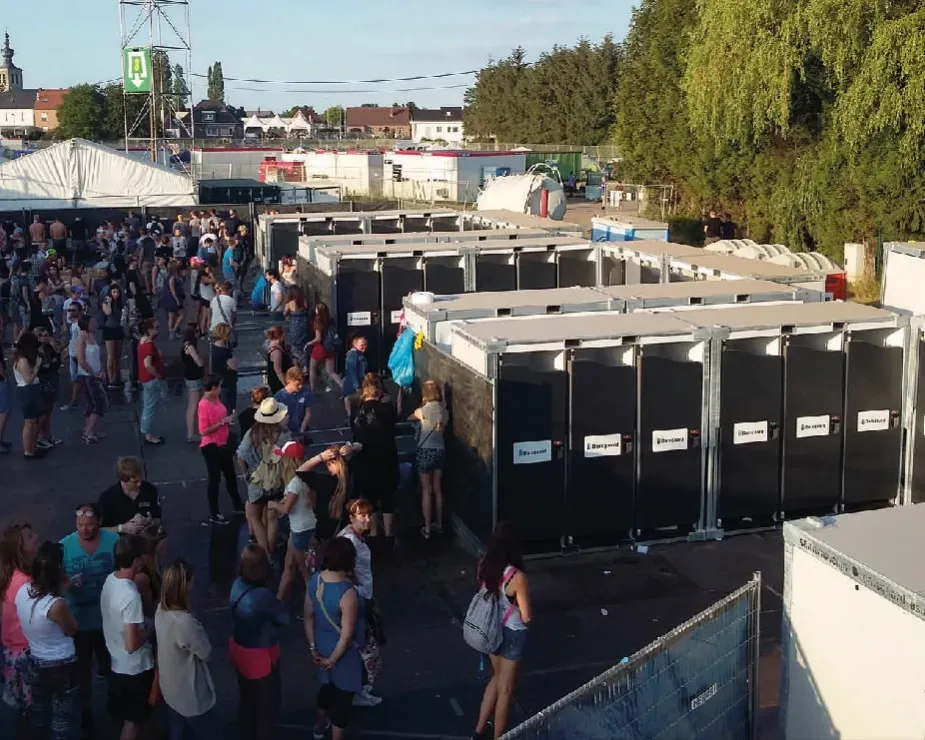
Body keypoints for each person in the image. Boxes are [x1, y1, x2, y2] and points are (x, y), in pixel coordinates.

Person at [60, 504, 119, 736]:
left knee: (111, 665)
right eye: (80, 525)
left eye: (90, 524)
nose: (84, 529)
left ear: (100, 522)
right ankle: (85, 710)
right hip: (79, 623)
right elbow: (54, 581)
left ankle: (115, 702)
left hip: (108, 620)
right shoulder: (64, 546)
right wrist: (66, 584)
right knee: (82, 670)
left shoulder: (113, 541)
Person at [472, 523, 532, 740]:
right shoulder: (517, 577)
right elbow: (526, 616)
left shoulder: (484, 565)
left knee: (496, 678)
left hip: (490, 630)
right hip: (512, 634)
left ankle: (479, 731)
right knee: (506, 689)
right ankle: (499, 736)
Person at [15, 541, 80, 740]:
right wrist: (64, 592)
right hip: (61, 665)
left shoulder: (22, 591)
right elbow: (71, 629)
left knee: (39, 713)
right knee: (62, 719)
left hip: (36, 660)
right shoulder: (56, 605)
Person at [304, 537, 365, 740]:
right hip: (344, 655)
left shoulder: (316, 580)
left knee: (326, 689)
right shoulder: (348, 594)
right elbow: (347, 635)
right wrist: (333, 660)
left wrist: (313, 647)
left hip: (322, 644)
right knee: (343, 701)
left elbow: (308, 615)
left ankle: (319, 726)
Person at [229, 544, 289, 740]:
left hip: (239, 647)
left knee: (247, 701)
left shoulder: (236, 584)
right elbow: (283, 618)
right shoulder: (263, 596)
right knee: (267, 709)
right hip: (260, 655)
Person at [101, 535, 155, 740]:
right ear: (136, 560)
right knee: (134, 721)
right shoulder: (130, 594)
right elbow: (132, 644)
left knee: (127, 717)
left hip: (117, 663)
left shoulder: (110, 580)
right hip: (136, 668)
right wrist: (152, 627)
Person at [155, 559, 216, 739]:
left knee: (177, 731)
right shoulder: (185, 623)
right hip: (191, 696)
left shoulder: (161, 609)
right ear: (184, 585)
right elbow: (206, 652)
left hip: (171, 689)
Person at [337, 498, 382, 707]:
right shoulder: (350, 541)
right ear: (352, 518)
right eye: (362, 516)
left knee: (365, 646)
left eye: (368, 515)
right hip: (358, 598)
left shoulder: (355, 537)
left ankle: (359, 687)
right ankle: (358, 690)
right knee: (365, 647)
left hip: (363, 596)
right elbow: (343, 569)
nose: (367, 519)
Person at [236, 399, 292, 554]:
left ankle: (265, 553)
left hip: (257, 481)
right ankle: (271, 550)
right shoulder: (284, 434)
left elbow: (241, 455)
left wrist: (246, 473)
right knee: (272, 517)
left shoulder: (252, 433)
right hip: (278, 482)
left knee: (255, 517)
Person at [0, 523, 40, 735]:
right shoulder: (25, 583)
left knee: (20, 707)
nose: (36, 537)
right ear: (20, 548)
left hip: (11, 649)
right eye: (30, 536)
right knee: (32, 711)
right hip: (26, 653)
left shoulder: (8, 575)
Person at [348, 374, 399, 540]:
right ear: (378, 393)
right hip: (387, 457)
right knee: (387, 498)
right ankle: (389, 533)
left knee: (370, 497)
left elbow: (356, 434)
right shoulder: (387, 409)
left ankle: (374, 533)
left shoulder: (358, 411)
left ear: (364, 391)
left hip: (366, 460)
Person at [270, 442, 318, 606]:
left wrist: (273, 505)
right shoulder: (306, 479)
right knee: (289, 565)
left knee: (306, 574)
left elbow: (286, 508)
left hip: (300, 531)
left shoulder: (294, 483)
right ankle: (278, 601)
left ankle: (312, 608)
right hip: (306, 526)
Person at [199, 373, 244, 525]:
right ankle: (214, 512)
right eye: (218, 386)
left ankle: (237, 504)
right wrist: (222, 422)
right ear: (212, 388)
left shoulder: (216, 399)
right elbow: (203, 431)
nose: (220, 389)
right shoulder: (204, 405)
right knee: (215, 479)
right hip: (211, 446)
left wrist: (227, 421)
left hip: (223, 443)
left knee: (231, 475)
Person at [413, 381, 449, 539]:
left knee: (426, 490)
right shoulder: (444, 411)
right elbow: (444, 408)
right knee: (437, 488)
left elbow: (411, 416)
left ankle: (427, 528)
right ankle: (440, 525)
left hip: (425, 451)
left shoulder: (422, 411)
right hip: (440, 451)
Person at [97, 457, 163, 535]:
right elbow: (99, 530)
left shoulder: (150, 490)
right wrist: (122, 528)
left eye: (140, 479)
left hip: (146, 539)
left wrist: (149, 522)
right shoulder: (107, 498)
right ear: (123, 479)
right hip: (119, 543)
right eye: (135, 482)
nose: (139, 484)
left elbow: (158, 518)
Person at [75, 316, 107, 444]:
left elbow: (98, 356)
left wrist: (102, 370)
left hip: (97, 373)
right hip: (88, 376)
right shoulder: (81, 338)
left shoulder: (92, 336)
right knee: (99, 403)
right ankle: (88, 431)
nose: (93, 324)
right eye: (91, 322)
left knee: (91, 403)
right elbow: (81, 360)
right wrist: (93, 373)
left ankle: (90, 429)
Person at [13, 330, 43, 459]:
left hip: (32, 390)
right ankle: (28, 451)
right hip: (27, 391)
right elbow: (28, 379)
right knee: (29, 422)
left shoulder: (22, 358)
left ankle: (33, 447)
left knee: (35, 421)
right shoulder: (23, 361)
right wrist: (37, 366)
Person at [137, 318, 167, 445]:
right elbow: (147, 365)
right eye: (156, 328)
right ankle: (148, 434)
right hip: (151, 379)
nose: (158, 330)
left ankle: (147, 431)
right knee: (150, 407)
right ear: (149, 329)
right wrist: (158, 375)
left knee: (148, 405)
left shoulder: (143, 342)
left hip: (146, 379)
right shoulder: (148, 345)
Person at [34, 325, 64, 449]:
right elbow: (43, 367)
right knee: (43, 411)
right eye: (45, 336)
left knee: (49, 410)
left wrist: (55, 348)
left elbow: (56, 362)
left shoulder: (48, 349)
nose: (48, 338)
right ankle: (40, 437)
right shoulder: (35, 352)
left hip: (52, 379)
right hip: (43, 381)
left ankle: (48, 435)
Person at [305, 302, 343, 395]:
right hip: (330, 348)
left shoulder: (317, 321)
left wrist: (308, 343)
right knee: (331, 371)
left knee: (312, 369)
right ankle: (343, 386)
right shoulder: (330, 320)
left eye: (316, 309)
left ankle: (312, 390)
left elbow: (318, 338)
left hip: (319, 348)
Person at [274, 367, 315, 443]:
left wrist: (302, 430)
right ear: (288, 381)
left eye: (302, 383)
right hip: (285, 432)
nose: (300, 386)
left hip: (302, 428)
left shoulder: (306, 392)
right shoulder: (278, 397)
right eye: (297, 384)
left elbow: (308, 413)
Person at [182, 326, 205, 443]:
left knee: (193, 405)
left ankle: (192, 431)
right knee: (193, 405)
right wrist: (202, 360)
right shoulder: (190, 346)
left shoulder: (185, 345)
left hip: (190, 376)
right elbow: (199, 363)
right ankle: (191, 434)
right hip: (194, 377)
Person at [210, 322, 239, 413]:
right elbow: (234, 366)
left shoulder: (213, 348)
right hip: (227, 383)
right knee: (227, 408)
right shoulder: (223, 352)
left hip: (218, 382)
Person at [101, 283, 125, 386]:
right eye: (114, 292)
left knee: (118, 355)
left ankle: (116, 375)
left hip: (118, 329)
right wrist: (109, 302)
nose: (116, 294)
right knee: (111, 355)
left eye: (117, 292)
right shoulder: (106, 302)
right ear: (110, 293)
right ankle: (110, 378)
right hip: (109, 329)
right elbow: (108, 313)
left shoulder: (120, 303)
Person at [342, 333, 368, 416]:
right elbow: (352, 371)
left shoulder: (359, 354)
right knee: (354, 406)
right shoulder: (352, 355)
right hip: (352, 384)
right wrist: (357, 386)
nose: (365, 346)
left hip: (357, 382)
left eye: (366, 344)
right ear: (354, 344)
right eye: (362, 345)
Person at [284, 286, 310, 367]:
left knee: (295, 347)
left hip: (294, 325)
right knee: (304, 345)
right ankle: (305, 366)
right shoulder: (303, 300)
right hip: (304, 324)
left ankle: (296, 368)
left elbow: (284, 313)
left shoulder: (289, 303)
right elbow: (307, 308)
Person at [265, 326, 293, 396]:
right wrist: (286, 386)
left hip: (273, 379)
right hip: (278, 382)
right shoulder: (277, 351)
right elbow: (278, 371)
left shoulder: (271, 346)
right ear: (280, 336)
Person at [162, 261, 185, 340]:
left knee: (171, 316)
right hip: (172, 298)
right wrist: (177, 300)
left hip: (168, 298)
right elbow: (173, 290)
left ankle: (171, 332)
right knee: (181, 315)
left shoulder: (168, 276)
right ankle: (173, 330)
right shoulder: (172, 278)